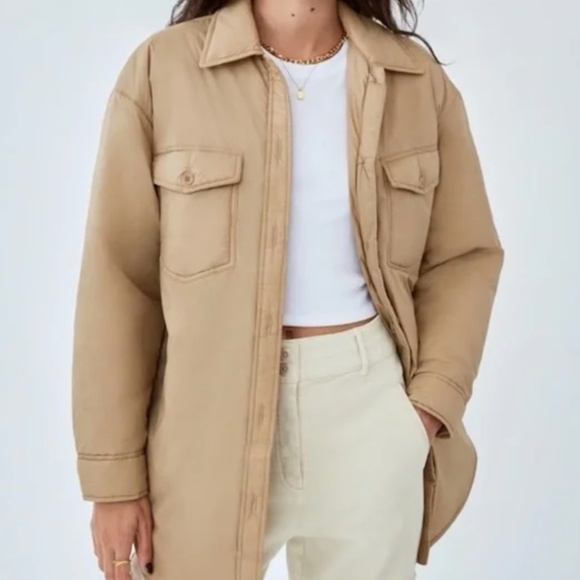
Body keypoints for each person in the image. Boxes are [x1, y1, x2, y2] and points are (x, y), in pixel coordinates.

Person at [72, 0, 504, 579]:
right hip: (205, 423)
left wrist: (426, 409)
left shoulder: (416, 82)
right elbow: (120, 283)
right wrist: (114, 479)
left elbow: (463, 257)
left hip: (369, 413)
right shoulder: (163, 71)